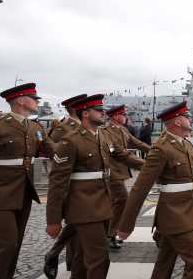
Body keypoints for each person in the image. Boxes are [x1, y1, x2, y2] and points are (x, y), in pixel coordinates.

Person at [117, 102, 193, 279]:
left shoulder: (186, 144)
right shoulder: (161, 148)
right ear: (177, 121)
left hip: (185, 209)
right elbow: (139, 188)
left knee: (165, 261)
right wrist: (126, 225)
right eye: (186, 117)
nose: (190, 119)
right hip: (174, 213)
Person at [0, 83, 54, 279]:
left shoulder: (35, 127)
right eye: (34, 98)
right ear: (21, 100)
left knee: (15, 245)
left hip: (23, 193)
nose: (37, 102)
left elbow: (54, 151)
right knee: (4, 246)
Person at [45, 94, 120, 279]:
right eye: (99, 110)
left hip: (102, 204)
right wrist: (53, 219)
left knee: (81, 259)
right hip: (83, 207)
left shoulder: (100, 137)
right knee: (99, 259)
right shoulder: (70, 140)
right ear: (85, 114)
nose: (104, 113)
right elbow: (57, 181)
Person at [43, 93, 88, 278]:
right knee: (76, 223)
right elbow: (55, 151)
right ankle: (62, 259)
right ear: (77, 109)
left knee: (80, 224)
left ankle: (64, 260)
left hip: (86, 184)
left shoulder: (85, 128)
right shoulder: (63, 128)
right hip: (69, 182)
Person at [103, 105, 149, 249]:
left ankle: (106, 233)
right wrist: (147, 165)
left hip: (119, 172)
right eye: (123, 114)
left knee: (113, 203)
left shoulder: (122, 129)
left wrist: (156, 151)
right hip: (111, 172)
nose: (125, 116)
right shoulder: (106, 132)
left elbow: (137, 143)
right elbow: (119, 153)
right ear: (115, 116)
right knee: (123, 200)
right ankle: (110, 234)